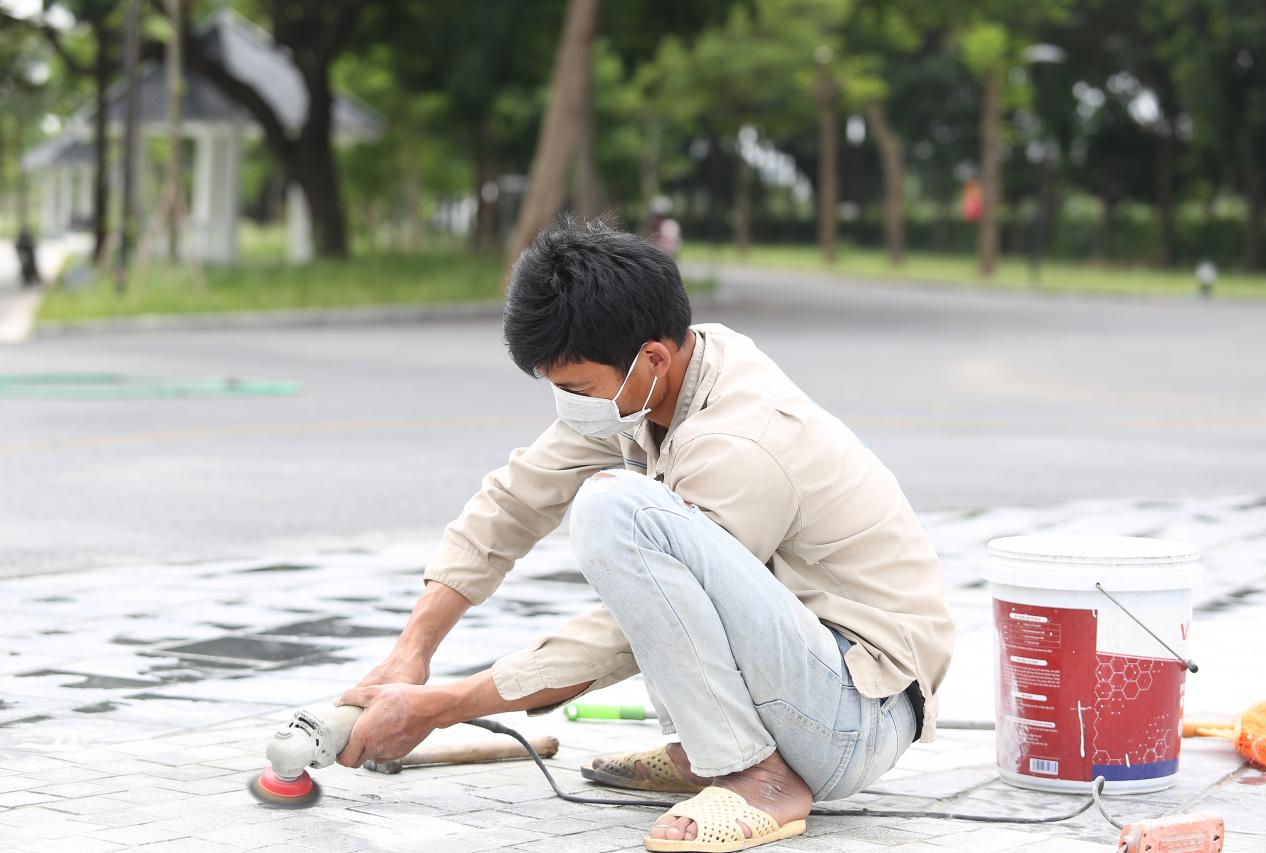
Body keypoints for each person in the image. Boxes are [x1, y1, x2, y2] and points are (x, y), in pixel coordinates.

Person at [335, 217, 955, 852]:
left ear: (652, 358)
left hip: (855, 715)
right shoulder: (650, 378)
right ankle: (703, 750)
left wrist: (438, 708)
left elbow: (630, 632)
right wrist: (413, 650)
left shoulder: (741, 439)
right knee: (636, 512)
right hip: (808, 677)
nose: (568, 405)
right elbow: (516, 499)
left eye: (575, 388)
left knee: (619, 511)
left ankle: (759, 779)